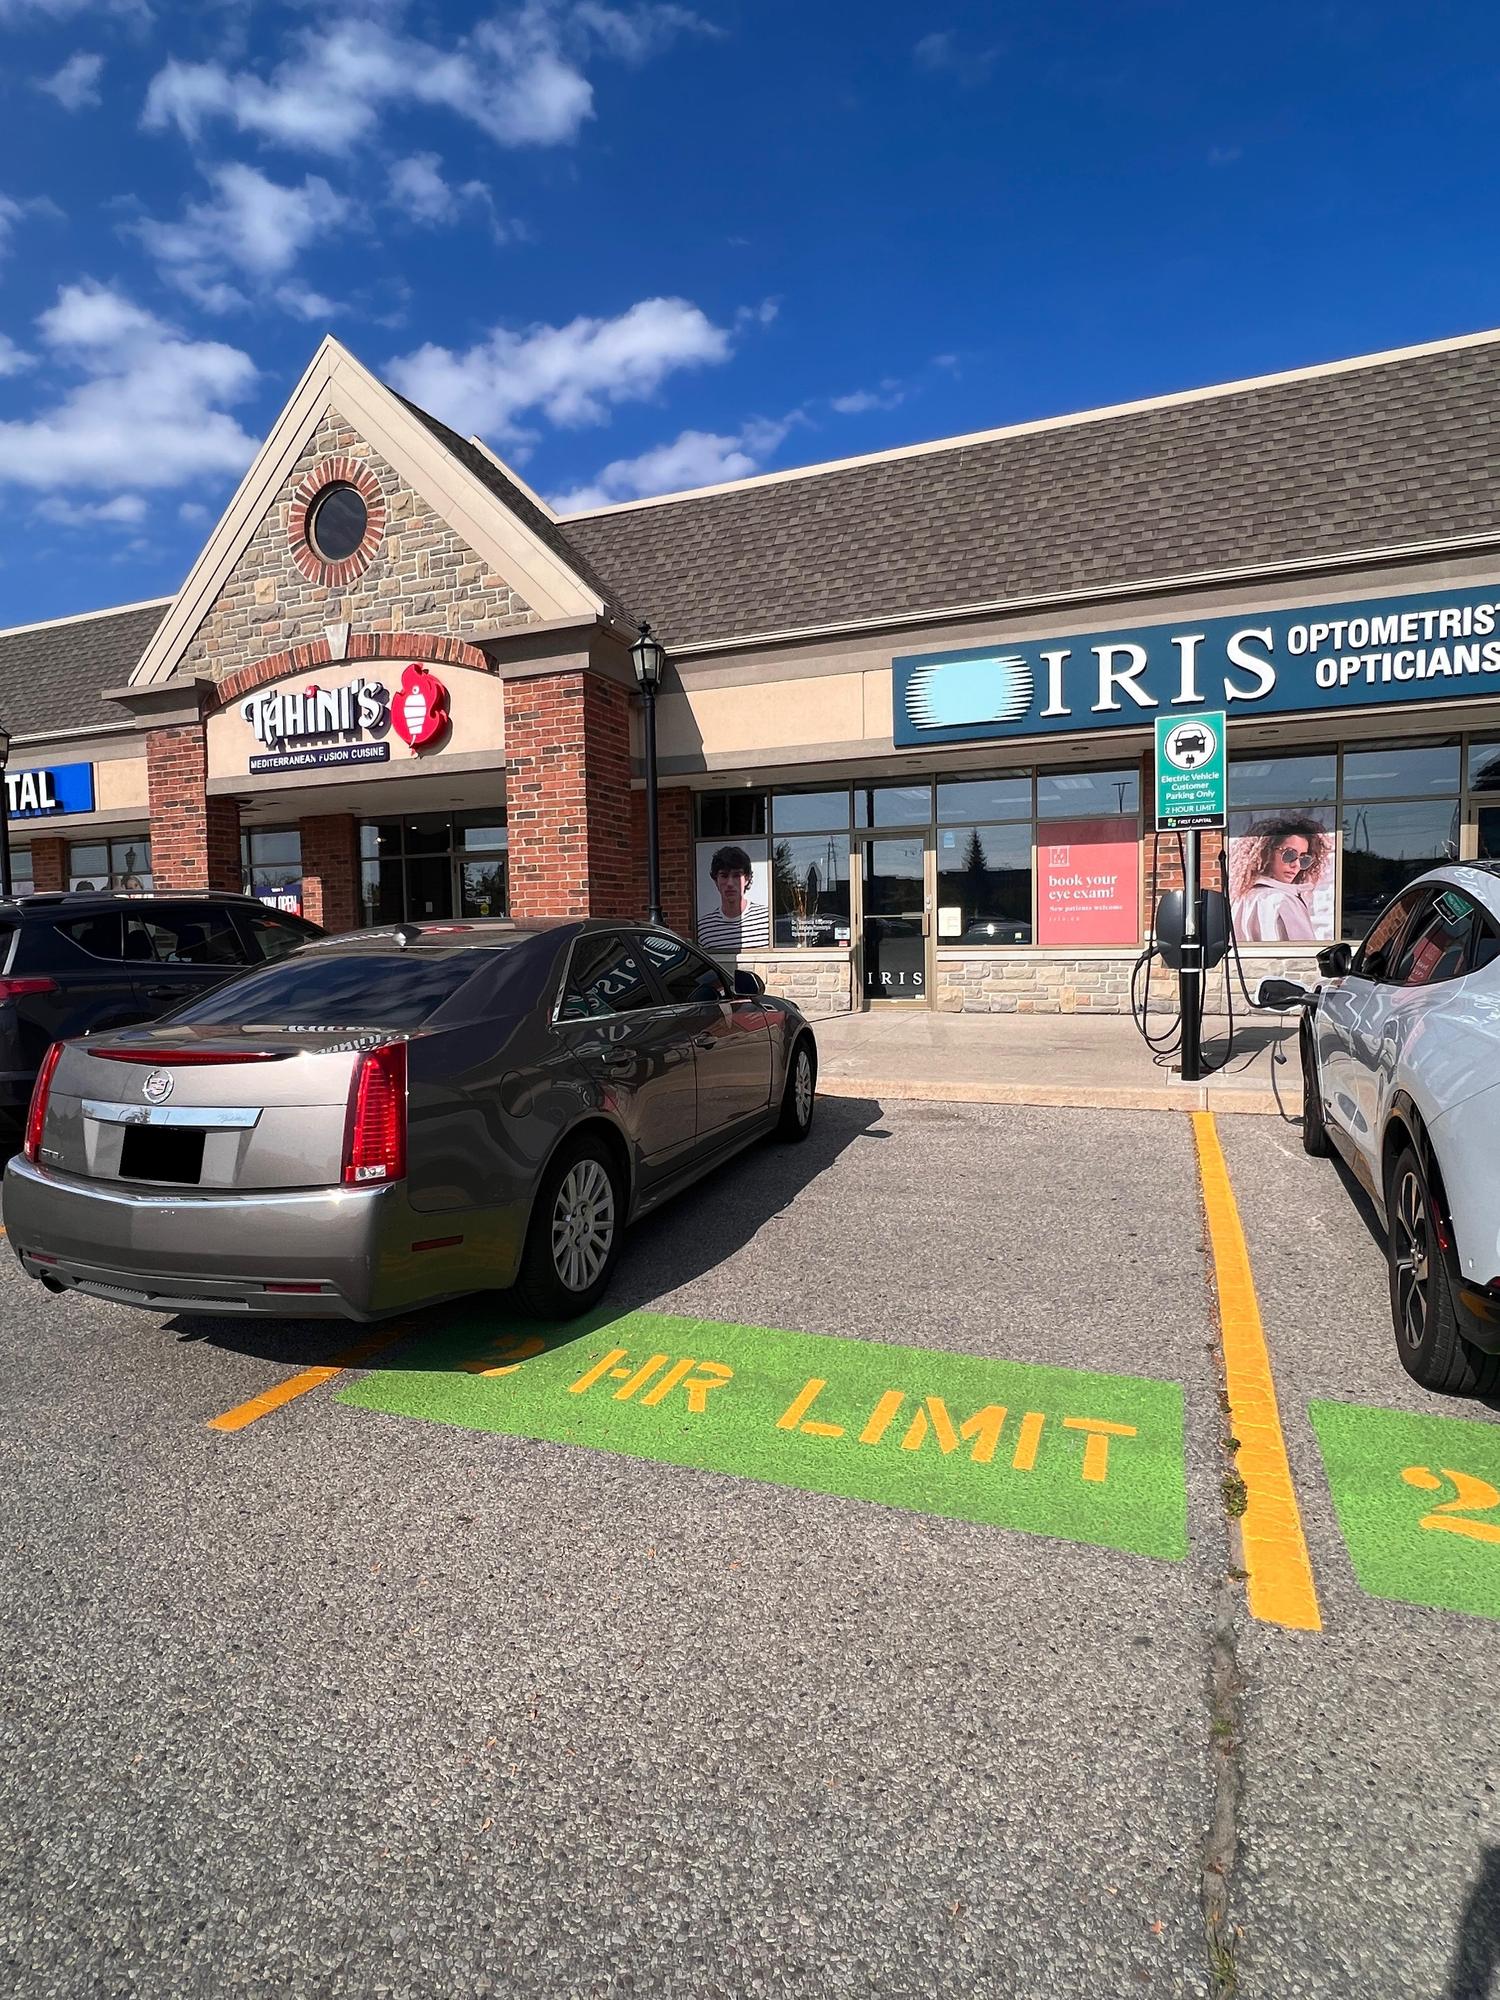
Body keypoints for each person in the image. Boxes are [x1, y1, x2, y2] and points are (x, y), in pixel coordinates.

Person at [1228, 815, 1333, 942]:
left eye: (1304, 858)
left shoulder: (1241, 897)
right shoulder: (1284, 900)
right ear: (1266, 852)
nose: (1296, 865)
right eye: (1289, 854)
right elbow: (1305, 955)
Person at [698, 844, 769, 951]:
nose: (730, 883)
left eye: (736, 875)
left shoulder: (766, 921)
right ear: (715, 880)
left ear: (747, 878)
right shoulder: (704, 929)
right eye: (724, 876)